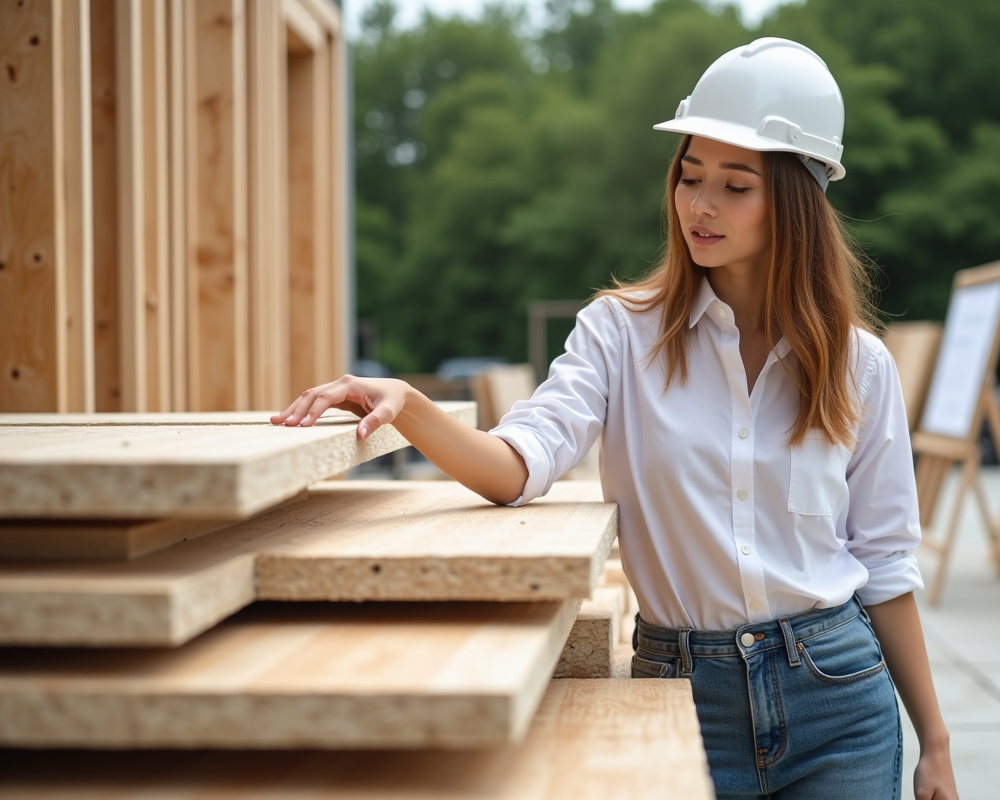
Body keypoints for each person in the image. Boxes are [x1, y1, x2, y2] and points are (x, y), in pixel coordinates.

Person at [273, 37, 958, 800]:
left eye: (736, 186)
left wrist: (935, 742)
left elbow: (887, 567)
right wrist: (411, 407)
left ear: (797, 200)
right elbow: (517, 468)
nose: (700, 205)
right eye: (690, 177)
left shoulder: (859, 365)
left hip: (839, 697)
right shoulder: (618, 335)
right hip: (683, 695)